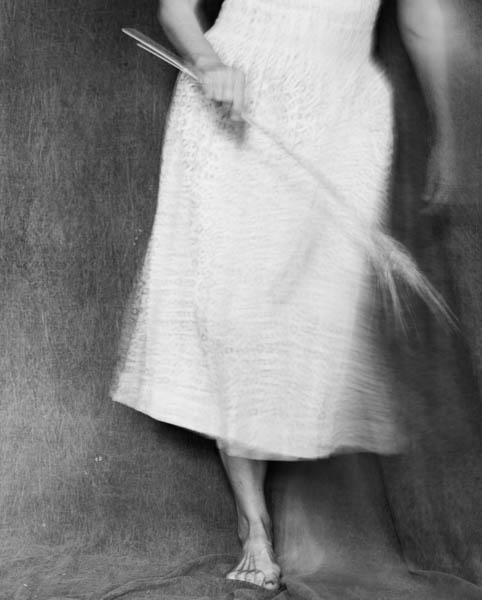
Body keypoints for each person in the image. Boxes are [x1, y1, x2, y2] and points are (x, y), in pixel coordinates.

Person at [110, 0, 454, 590]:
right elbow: (176, 9)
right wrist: (209, 63)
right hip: (237, 96)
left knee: (315, 313)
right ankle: (255, 524)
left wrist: (447, 134)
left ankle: (320, 519)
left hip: (347, 112)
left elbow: (424, 19)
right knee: (233, 307)